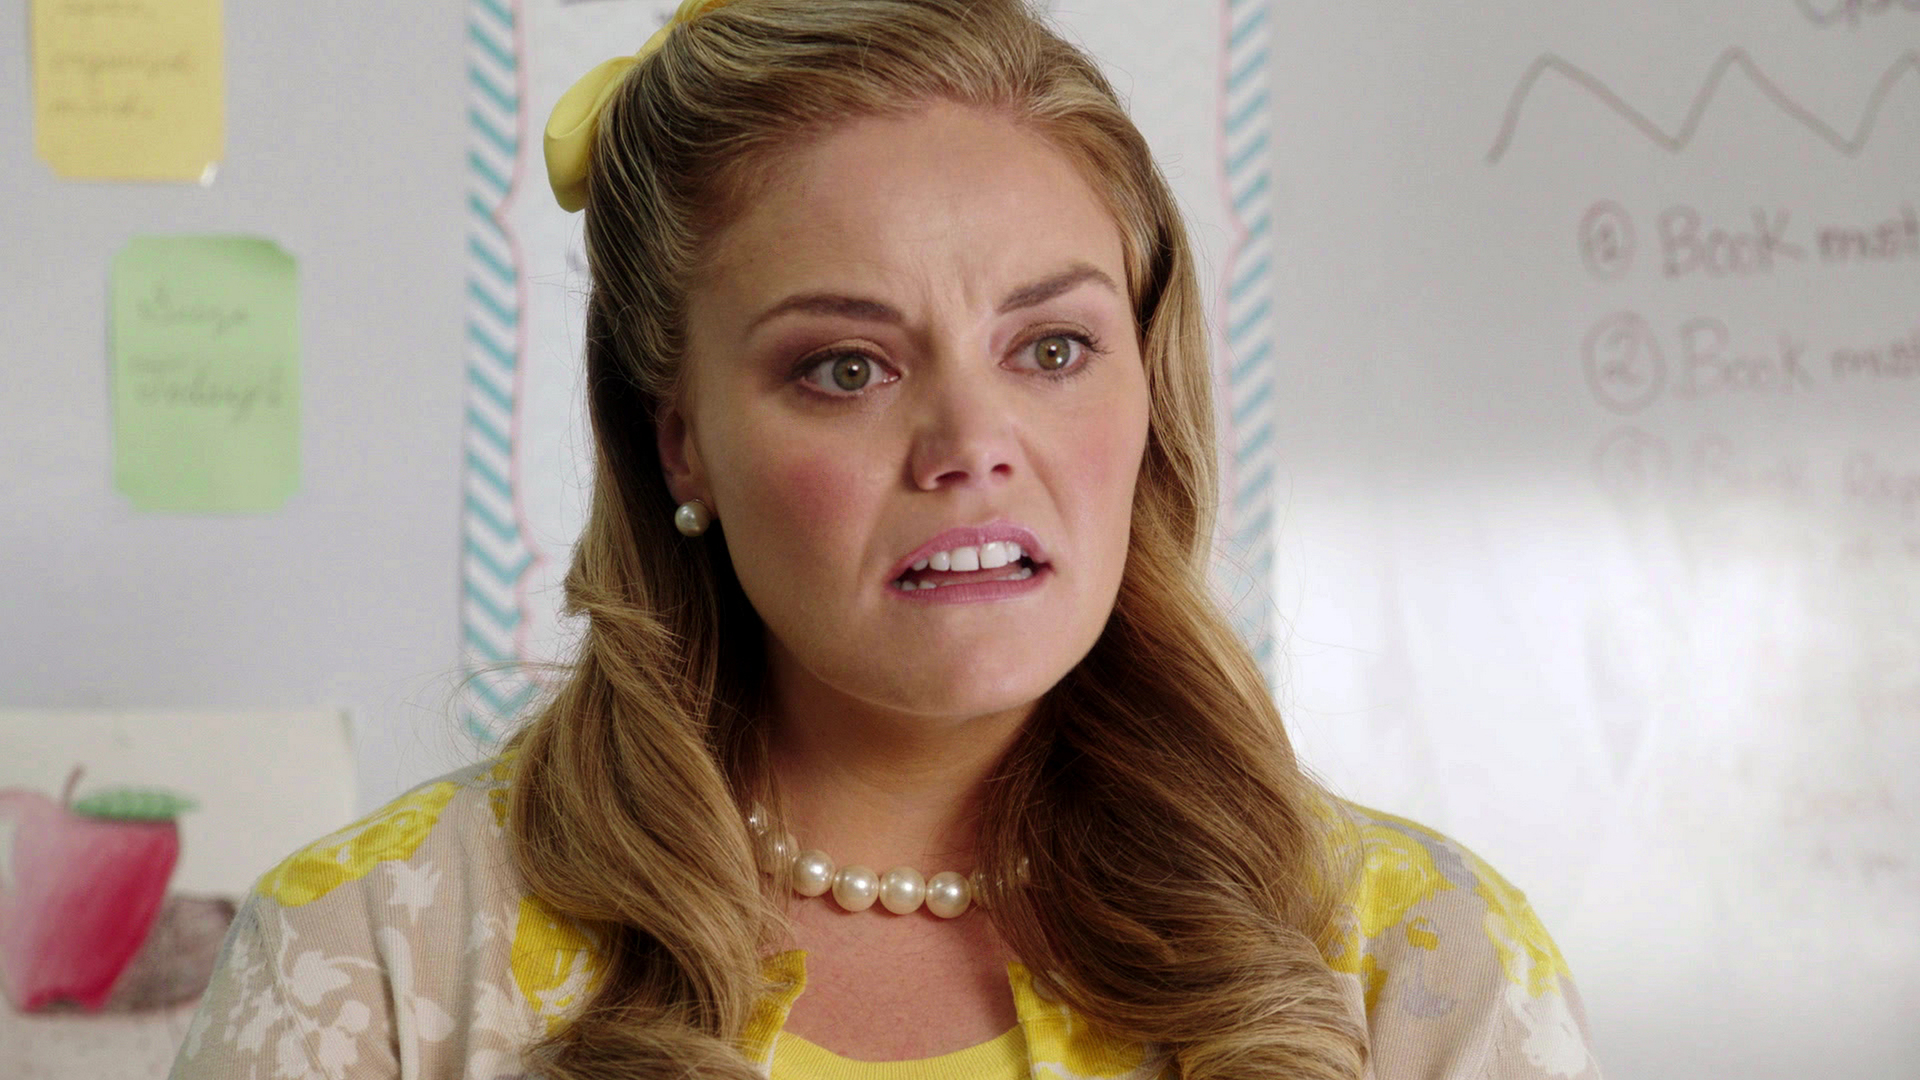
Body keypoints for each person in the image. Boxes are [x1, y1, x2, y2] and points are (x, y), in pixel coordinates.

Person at [168, 1, 1605, 1078]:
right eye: (845, 368)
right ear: (680, 442)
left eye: (1051, 347)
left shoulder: (1422, 959)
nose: (971, 443)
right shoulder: (369, 956)